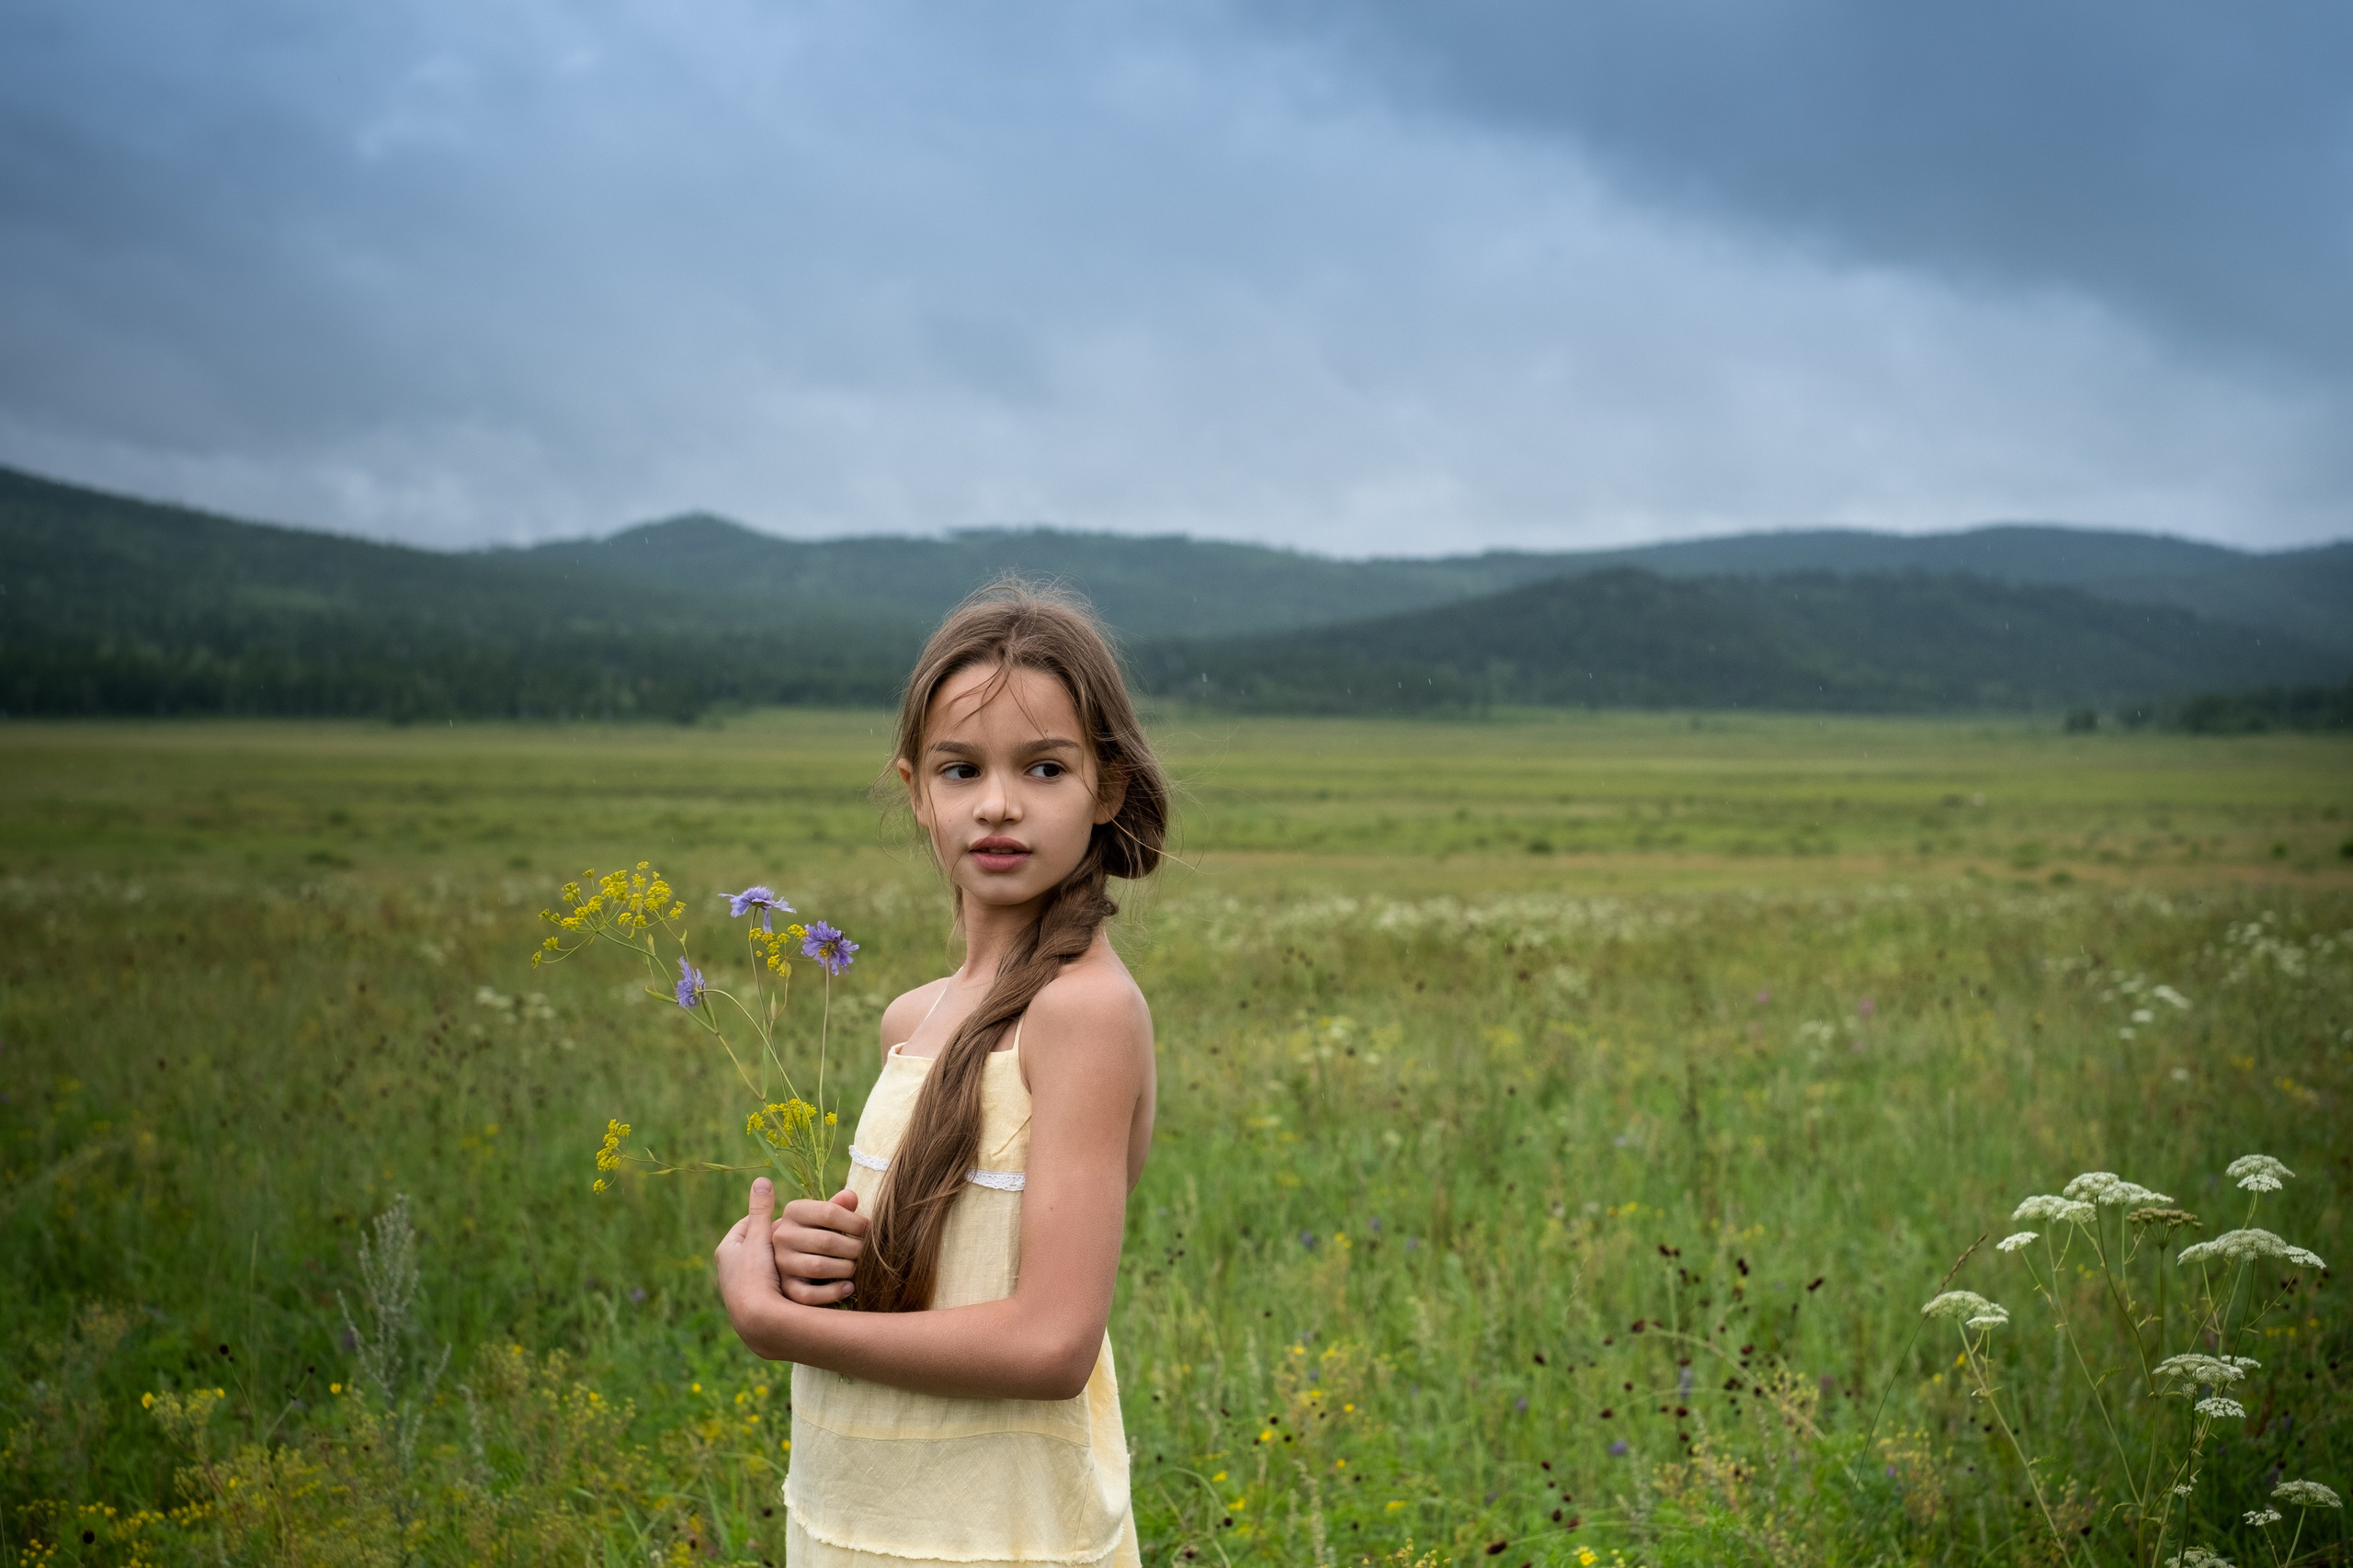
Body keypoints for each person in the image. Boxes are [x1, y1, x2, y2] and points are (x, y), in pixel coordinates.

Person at [713, 584, 1169, 1568]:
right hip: (860, 1516)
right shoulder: (910, 1019)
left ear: (1108, 787)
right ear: (917, 789)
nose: (997, 803)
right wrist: (809, 1260)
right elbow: (937, 1273)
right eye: (962, 769)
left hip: (998, 1533)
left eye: (1044, 767)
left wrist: (778, 1325)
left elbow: (1051, 1344)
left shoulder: (1083, 1013)